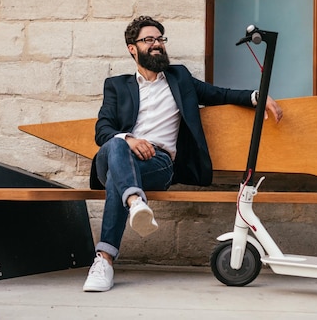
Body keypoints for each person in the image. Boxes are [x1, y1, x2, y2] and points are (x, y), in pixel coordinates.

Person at [82, 16, 283, 292]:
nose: (157, 44)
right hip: (116, 158)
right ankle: (135, 202)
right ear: (132, 48)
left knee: (120, 181)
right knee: (116, 144)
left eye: (160, 39)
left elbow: (218, 94)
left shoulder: (180, 78)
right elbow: (102, 130)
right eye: (149, 40)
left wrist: (256, 96)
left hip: (158, 164)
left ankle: (104, 260)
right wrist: (129, 140)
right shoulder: (117, 85)